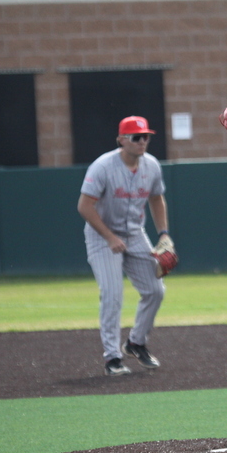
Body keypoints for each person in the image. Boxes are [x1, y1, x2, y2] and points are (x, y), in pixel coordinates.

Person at [77, 116, 171, 376]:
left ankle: (135, 342)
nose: (143, 142)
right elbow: (84, 206)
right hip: (101, 235)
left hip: (134, 233)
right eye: (136, 137)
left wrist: (163, 234)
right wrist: (109, 237)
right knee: (112, 295)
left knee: (155, 290)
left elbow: (157, 198)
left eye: (146, 137)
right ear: (121, 140)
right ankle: (112, 358)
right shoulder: (103, 166)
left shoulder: (151, 165)